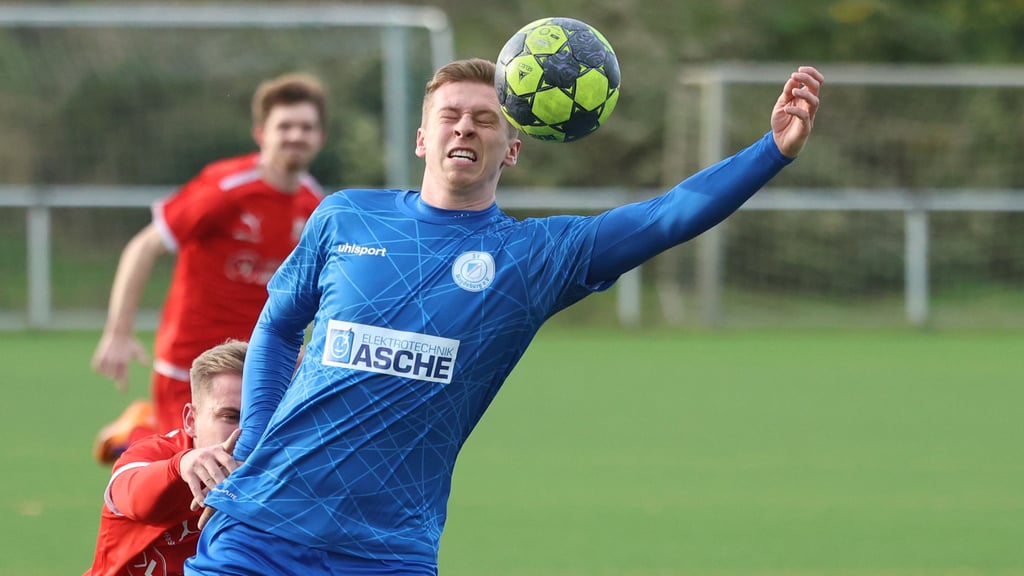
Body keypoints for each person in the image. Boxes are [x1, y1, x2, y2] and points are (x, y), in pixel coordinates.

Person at [185, 58, 824, 576]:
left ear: (512, 148)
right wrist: (259, 446)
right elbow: (275, 324)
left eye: (485, 120)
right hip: (260, 529)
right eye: (450, 116)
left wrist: (771, 151)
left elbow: (668, 215)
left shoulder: (534, 257)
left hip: (386, 551)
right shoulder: (346, 215)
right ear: (422, 137)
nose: (464, 128)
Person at [90, 72, 328, 463]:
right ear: (260, 133)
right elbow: (143, 246)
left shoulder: (313, 204)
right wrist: (118, 332)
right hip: (190, 359)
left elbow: (312, 291)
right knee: (190, 467)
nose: (296, 136)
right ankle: (138, 433)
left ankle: (141, 431)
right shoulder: (225, 188)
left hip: (259, 360)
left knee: (252, 466)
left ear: (320, 137)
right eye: (285, 126)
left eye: (307, 127)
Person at [85, 339, 246, 576]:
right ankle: (134, 429)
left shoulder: (277, 461)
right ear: (191, 420)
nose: (246, 431)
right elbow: (132, 495)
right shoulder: (154, 456)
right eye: (230, 417)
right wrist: (179, 467)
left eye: (257, 416)